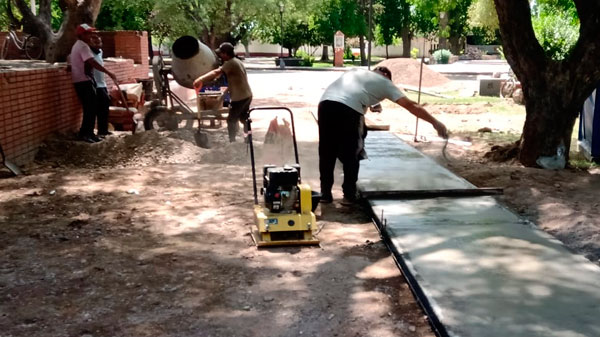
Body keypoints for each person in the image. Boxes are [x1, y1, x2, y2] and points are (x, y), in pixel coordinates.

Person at [318, 66, 448, 204]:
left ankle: (325, 194)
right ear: (386, 75)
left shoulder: (356, 71)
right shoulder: (385, 83)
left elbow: (355, 92)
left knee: (327, 150)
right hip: (349, 109)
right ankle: (349, 195)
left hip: (325, 104)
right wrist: (435, 122)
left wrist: (371, 104)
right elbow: (411, 105)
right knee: (351, 152)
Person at [193, 42, 252, 142]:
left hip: (240, 97)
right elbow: (236, 79)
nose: (220, 55)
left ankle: (232, 141)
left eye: (221, 53)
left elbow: (217, 72)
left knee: (231, 120)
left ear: (226, 53)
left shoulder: (230, 63)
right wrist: (226, 92)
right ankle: (248, 139)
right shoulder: (237, 61)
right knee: (244, 118)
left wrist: (200, 79)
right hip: (247, 95)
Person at [69, 23, 118, 143]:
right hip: (84, 81)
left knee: (90, 108)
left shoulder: (78, 45)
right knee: (90, 108)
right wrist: (109, 73)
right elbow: (92, 62)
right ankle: (87, 134)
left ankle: (86, 133)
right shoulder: (83, 47)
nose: (91, 35)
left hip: (81, 80)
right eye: (88, 33)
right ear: (82, 34)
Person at [88, 33, 111, 138]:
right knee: (99, 107)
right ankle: (100, 131)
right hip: (96, 84)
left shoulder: (100, 52)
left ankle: (104, 130)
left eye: (99, 41)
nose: (98, 44)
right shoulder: (89, 53)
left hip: (103, 83)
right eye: (95, 42)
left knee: (105, 106)